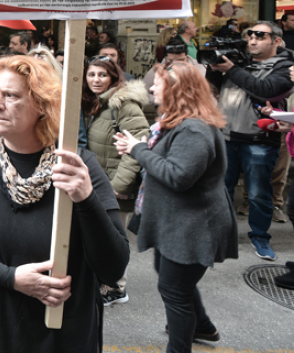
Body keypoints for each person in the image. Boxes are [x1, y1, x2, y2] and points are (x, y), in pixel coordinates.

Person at [0, 55, 129, 352]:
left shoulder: (78, 166)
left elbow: (114, 264)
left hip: (61, 332)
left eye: (11, 95)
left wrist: (85, 198)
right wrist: (12, 278)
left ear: (42, 105)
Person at [114, 61, 237, 352]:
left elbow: (178, 176)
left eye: (158, 83)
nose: (151, 88)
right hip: (182, 223)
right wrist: (137, 147)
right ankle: (204, 328)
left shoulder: (193, 129)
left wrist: (138, 150)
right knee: (174, 280)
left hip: (193, 226)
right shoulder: (179, 121)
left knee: (174, 290)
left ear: (177, 90)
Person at [206, 21, 294, 261]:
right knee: (221, 190)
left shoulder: (285, 66)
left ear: (276, 40)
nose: (252, 40)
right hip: (226, 136)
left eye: (260, 36)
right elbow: (213, 87)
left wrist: (232, 68)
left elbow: (265, 90)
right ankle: (220, 236)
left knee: (257, 193)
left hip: (259, 139)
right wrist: (214, 67)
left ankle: (260, 237)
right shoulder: (238, 61)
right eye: (250, 35)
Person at [81, 55, 150, 305]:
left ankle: (117, 289)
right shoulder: (96, 102)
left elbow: (138, 147)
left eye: (102, 75)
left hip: (114, 188)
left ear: (113, 77)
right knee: (99, 237)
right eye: (92, 74)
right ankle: (103, 282)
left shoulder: (123, 104)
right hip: (99, 185)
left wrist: (117, 187)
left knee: (114, 239)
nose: (96, 80)